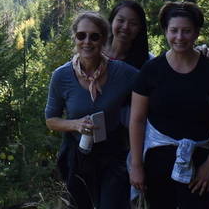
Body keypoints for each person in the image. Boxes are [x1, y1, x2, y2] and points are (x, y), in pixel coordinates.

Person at [129, 2, 209, 209]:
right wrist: (137, 165)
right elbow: (137, 119)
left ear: (196, 34)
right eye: (174, 31)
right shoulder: (151, 70)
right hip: (157, 160)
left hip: (201, 159)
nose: (179, 37)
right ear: (166, 31)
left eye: (186, 31)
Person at [47, 11, 141, 209]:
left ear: (104, 40)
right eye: (81, 35)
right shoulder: (61, 76)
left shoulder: (122, 73)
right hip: (77, 155)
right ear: (74, 37)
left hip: (113, 155)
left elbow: (154, 80)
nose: (87, 41)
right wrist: (76, 124)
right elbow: (51, 120)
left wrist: (194, 54)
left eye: (94, 36)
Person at [108, 0, 151, 69]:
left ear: (140, 28)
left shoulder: (144, 65)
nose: (125, 27)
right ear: (112, 21)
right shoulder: (96, 51)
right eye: (121, 20)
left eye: (133, 23)